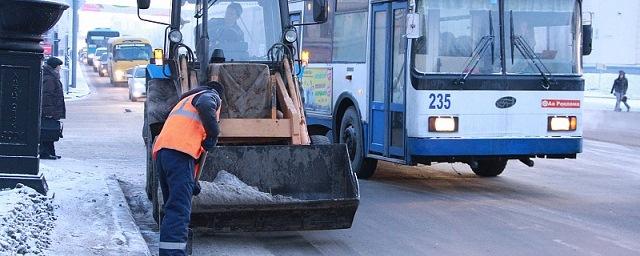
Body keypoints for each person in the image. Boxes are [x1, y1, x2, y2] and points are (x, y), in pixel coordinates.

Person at [152, 80, 224, 256]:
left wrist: (191, 181)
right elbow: (207, 104)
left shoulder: (185, 100)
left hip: (164, 154)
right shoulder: (209, 95)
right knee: (179, 210)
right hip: (179, 154)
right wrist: (213, 134)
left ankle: (167, 251)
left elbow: (186, 137)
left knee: (172, 208)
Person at [40, 57, 66, 160]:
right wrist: (48, 112)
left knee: (49, 130)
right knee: (47, 131)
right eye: (59, 66)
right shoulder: (49, 79)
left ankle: (50, 152)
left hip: (51, 110)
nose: (60, 68)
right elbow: (47, 96)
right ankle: (45, 152)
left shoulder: (51, 76)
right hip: (49, 111)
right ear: (54, 66)